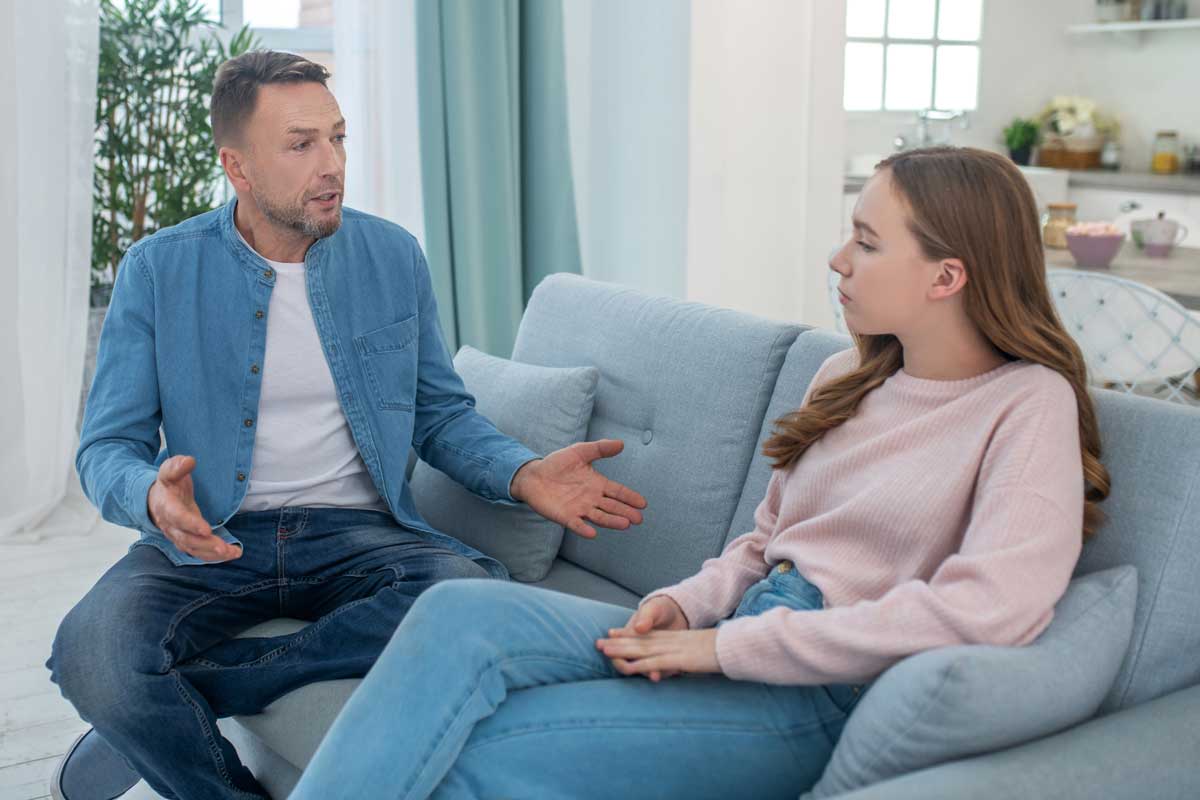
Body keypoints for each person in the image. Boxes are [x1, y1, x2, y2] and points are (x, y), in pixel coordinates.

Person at [287, 146, 1112, 800]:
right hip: (740, 628)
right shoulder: (843, 379)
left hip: (813, 691)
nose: (837, 259)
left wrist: (729, 647)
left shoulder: (1025, 403)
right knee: (456, 614)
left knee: (473, 762)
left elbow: (990, 609)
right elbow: (763, 545)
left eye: (866, 241)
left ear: (947, 275)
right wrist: (682, 604)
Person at [45, 50, 646, 800]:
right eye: (301, 144)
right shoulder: (159, 270)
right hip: (213, 537)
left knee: (467, 592)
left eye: (338, 137)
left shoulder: (391, 256)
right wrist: (150, 498)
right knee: (91, 653)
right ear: (238, 167)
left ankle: (212, 685)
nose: (330, 164)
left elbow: (439, 413)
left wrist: (522, 473)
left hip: (358, 534)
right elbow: (107, 446)